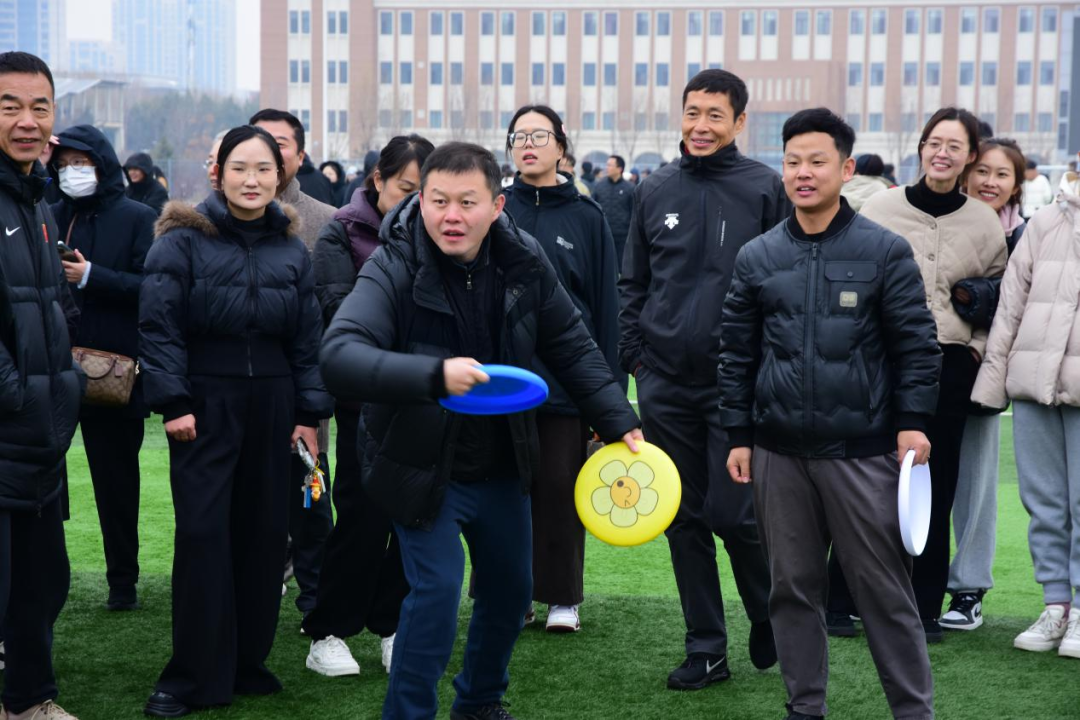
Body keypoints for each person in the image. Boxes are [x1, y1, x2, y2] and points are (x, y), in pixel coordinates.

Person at [319, 142, 642, 720]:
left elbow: (571, 344)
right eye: (439, 200)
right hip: (420, 466)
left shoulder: (523, 259)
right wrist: (433, 377)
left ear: (496, 206)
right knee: (437, 596)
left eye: (467, 202)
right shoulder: (394, 263)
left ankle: (479, 701)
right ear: (421, 201)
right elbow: (340, 354)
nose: (452, 216)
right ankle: (408, 713)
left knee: (511, 591)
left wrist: (620, 420)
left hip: (502, 463)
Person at [719, 107, 939, 720]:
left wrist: (913, 421)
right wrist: (739, 433)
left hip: (863, 452)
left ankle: (913, 710)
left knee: (884, 591)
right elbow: (735, 353)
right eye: (792, 161)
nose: (803, 173)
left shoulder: (884, 250)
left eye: (817, 161)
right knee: (791, 589)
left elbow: (916, 346)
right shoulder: (758, 255)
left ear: (845, 169)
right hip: (778, 453)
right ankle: (804, 706)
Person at [139, 125, 333, 717]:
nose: (252, 180)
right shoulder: (180, 240)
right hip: (204, 404)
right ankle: (191, 676)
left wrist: (308, 414)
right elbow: (159, 327)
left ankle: (247, 662)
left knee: (264, 536)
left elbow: (307, 339)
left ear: (281, 176)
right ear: (217, 172)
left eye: (264, 169)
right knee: (203, 537)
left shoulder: (291, 248)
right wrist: (174, 402)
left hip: (274, 405)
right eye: (239, 168)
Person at [618, 68, 786, 690]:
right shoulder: (655, 187)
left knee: (737, 516)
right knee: (682, 518)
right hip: (663, 382)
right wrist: (637, 359)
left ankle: (769, 613)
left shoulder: (765, 188)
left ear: (739, 122)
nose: (701, 125)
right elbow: (633, 283)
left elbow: (783, 287)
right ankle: (706, 648)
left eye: (716, 115)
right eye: (693, 112)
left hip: (736, 385)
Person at [861, 107, 1008, 642]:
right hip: (880, 361)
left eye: (954, 146)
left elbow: (1000, 297)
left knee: (936, 485)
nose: (942, 153)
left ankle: (924, 607)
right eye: (934, 142)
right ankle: (849, 598)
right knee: (867, 482)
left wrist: (974, 351)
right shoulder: (880, 208)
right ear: (921, 148)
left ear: (969, 156)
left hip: (949, 364)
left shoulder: (984, 222)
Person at [304, 133, 434, 677]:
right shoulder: (342, 232)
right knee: (360, 517)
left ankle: (392, 625)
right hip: (366, 400)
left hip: (426, 399)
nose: (416, 202)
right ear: (378, 180)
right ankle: (328, 630)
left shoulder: (438, 233)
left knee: (413, 517)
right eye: (406, 188)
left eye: (426, 192)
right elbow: (341, 314)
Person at [502, 106, 622, 634]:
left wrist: (608, 395)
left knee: (559, 488)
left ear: (560, 145)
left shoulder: (586, 216)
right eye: (519, 137)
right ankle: (507, 593)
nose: (528, 145)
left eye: (539, 135)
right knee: (504, 492)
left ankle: (562, 597)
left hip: (566, 382)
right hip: (502, 380)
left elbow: (606, 308)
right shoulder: (496, 209)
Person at [0, 49, 83, 720]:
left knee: (41, 583)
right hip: (10, 424)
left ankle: (31, 701)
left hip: (41, 437)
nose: (26, 121)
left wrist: (63, 387)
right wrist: (17, 395)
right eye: (9, 106)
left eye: (39, 107)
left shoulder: (39, 202)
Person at [47, 124, 156, 612]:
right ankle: (41, 578)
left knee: (117, 482)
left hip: (114, 372)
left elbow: (152, 286)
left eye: (81, 163)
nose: (71, 172)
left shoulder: (137, 217)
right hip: (51, 368)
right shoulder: (48, 213)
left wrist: (92, 275)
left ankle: (122, 581)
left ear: (102, 164)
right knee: (40, 478)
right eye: (63, 164)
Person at [971, 183, 1080, 660]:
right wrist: (993, 381)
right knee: (1044, 501)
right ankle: (1056, 604)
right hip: (1034, 379)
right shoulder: (1046, 221)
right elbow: (1011, 304)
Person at [937, 138, 1029, 632]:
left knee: (975, 481)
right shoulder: (943, 222)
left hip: (985, 375)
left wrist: (980, 347)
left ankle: (968, 587)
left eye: (1002, 174)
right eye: (983, 171)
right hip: (932, 368)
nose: (990, 182)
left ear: (1016, 185)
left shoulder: (1024, 236)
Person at [249, 108, 336, 618]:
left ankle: (317, 606)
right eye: (258, 139)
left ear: (299, 156)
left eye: (280, 143)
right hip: (240, 390)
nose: (268, 151)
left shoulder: (326, 221)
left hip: (303, 388)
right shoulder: (210, 222)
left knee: (309, 499)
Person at [590, 154, 634, 266]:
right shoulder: (599, 186)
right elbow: (592, 209)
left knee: (621, 267)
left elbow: (634, 213)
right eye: (607, 165)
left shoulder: (630, 188)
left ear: (619, 169)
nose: (607, 168)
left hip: (622, 238)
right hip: (602, 235)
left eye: (610, 165)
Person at [122, 152, 168, 216]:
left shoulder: (158, 192)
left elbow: (150, 215)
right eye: (129, 169)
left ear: (146, 170)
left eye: (136, 169)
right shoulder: (127, 191)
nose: (132, 172)